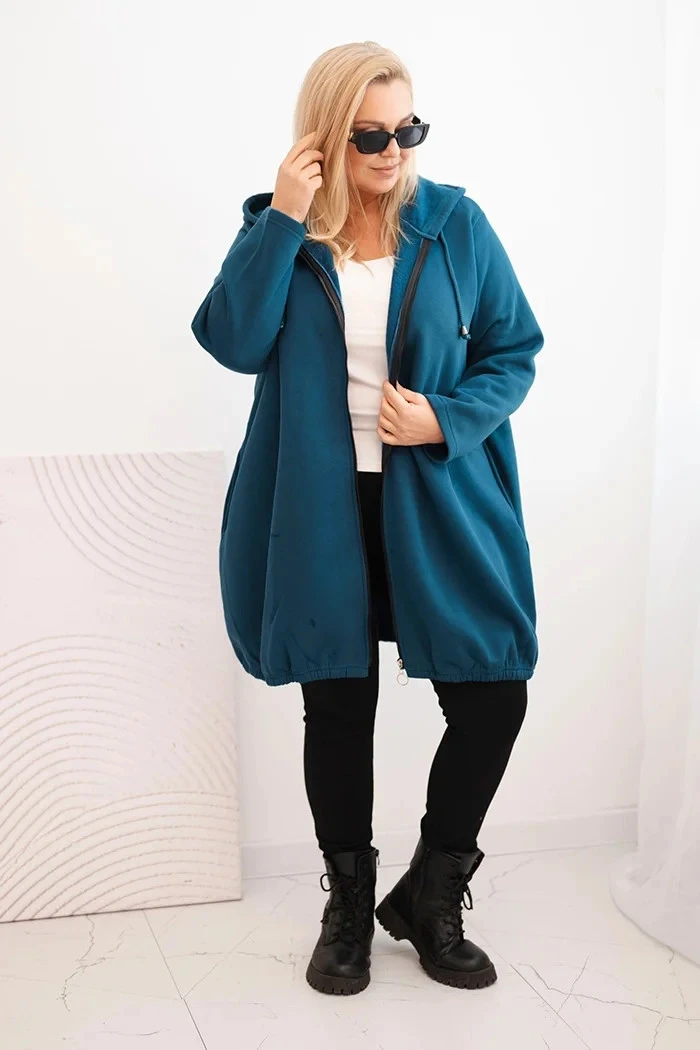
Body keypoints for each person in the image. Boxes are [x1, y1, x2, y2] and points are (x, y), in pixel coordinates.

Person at [191, 41, 544, 997]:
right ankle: (348, 906)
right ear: (323, 138)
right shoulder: (282, 234)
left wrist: (445, 418)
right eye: (371, 135)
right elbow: (231, 340)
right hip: (319, 504)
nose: (395, 152)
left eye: (408, 130)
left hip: (438, 497)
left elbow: (513, 349)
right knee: (340, 705)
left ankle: (430, 893)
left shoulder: (455, 224)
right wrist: (284, 215)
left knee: (493, 696)